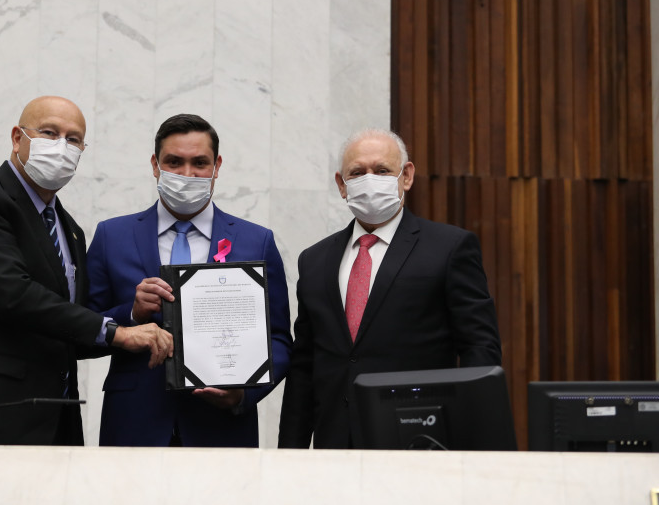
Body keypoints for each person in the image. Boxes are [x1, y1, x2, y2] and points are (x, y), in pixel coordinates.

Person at [0, 96, 173, 446]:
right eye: (49, 132)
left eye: (73, 139)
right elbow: (13, 294)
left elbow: (71, 326)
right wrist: (118, 334)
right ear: (17, 138)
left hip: (54, 422)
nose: (61, 147)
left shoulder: (70, 230)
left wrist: (131, 315)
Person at [278, 128, 502, 449]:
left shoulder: (449, 248)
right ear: (342, 185)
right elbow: (304, 366)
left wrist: (468, 436)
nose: (370, 180)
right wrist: (290, 453)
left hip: (419, 439)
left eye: (382, 171)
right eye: (358, 173)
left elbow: (480, 348)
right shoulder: (314, 260)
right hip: (335, 445)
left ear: (406, 176)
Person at [87, 113, 292, 447]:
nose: (187, 174)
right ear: (155, 164)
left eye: (199, 162)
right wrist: (132, 315)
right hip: (134, 423)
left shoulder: (257, 241)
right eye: (174, 162)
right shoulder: (113, 235)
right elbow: (81, 329)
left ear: (217, 165)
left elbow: (280, 339)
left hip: (221, 428)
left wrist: (243, 394)